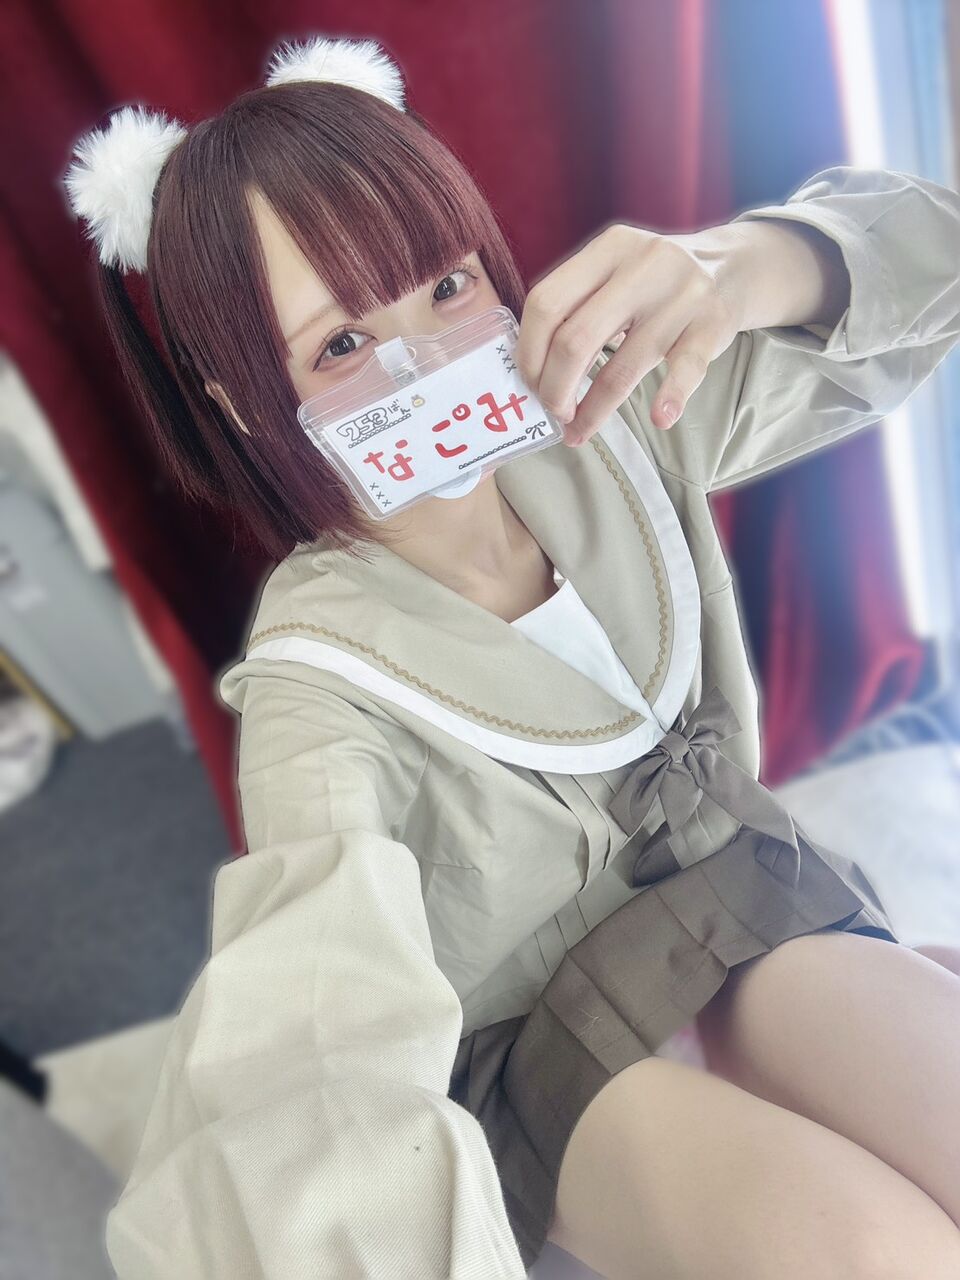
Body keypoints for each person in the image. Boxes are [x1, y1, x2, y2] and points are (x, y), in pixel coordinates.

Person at [63, 34, 960, 1280]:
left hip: (740, 896)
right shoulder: (320, 679)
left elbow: (932, 270)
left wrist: (752, 263)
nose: (425, 359)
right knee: (879, 1251)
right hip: (543, 1036)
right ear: (243, 398)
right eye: (340, 346)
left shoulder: (603, 419)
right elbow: (314, 1036)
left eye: (444, 285)